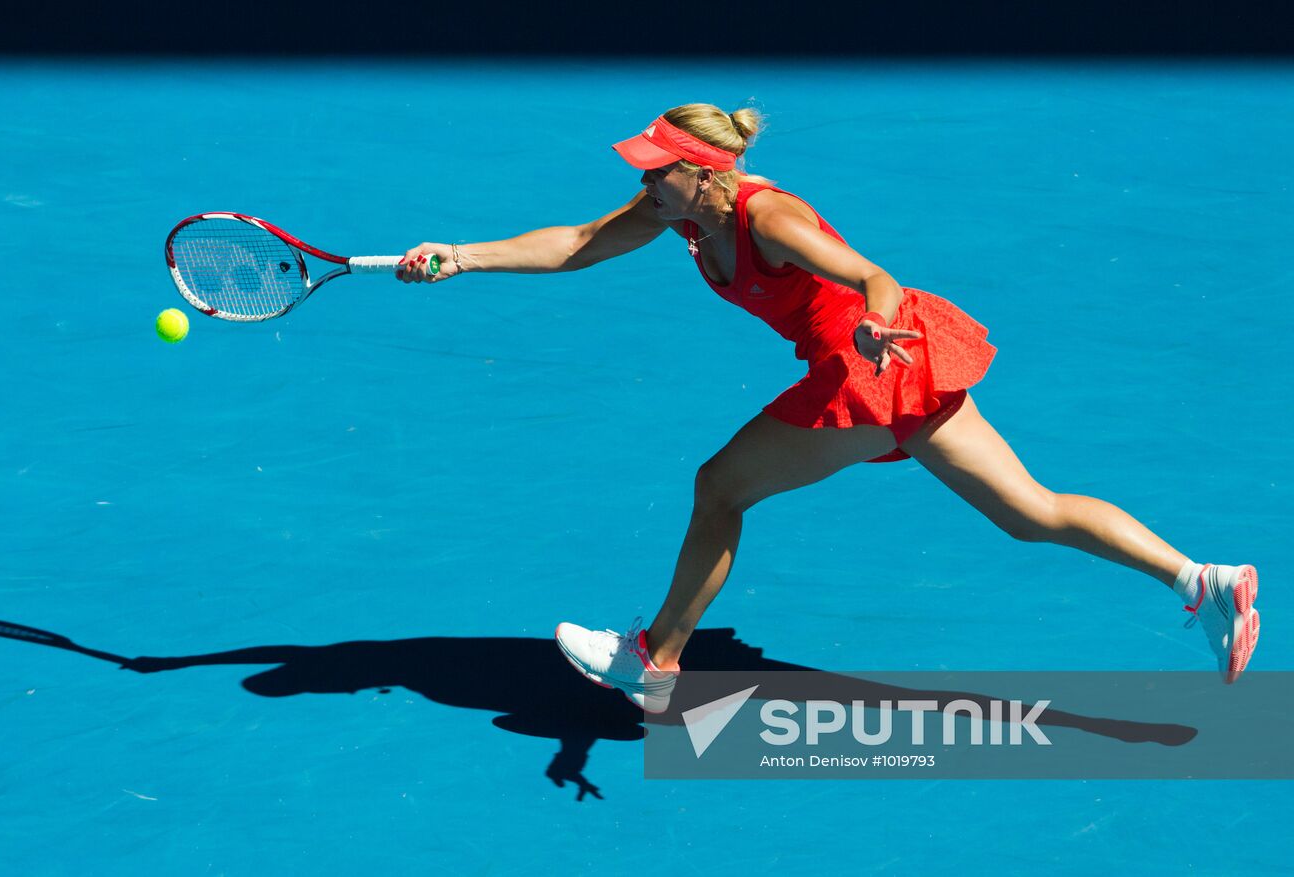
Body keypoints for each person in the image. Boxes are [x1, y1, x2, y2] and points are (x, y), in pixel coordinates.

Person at [396, 103, 1260, 712]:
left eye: (657, 174)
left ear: (702, 176)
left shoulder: (767, 218)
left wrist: (878, 328)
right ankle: (1203, 581)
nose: (645, 186)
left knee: (719, 488)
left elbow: (872, 276)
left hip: (872, 363)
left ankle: (654, 662)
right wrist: (460, 256)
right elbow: (579, 243)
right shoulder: (683, 214)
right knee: (1029, 512)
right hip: (901, 366)